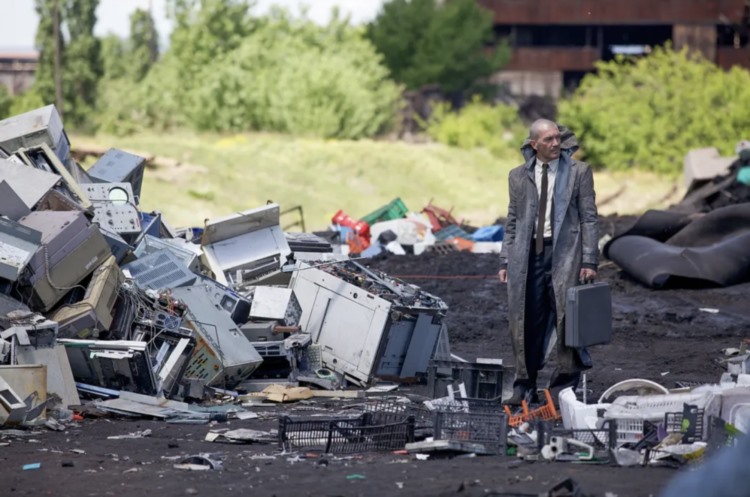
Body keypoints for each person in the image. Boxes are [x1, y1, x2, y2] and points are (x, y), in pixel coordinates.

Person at [498, 119, 599, 405]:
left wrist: (590, 260)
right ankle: (524, 385)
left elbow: (589, 218)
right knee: (525, 319)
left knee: (568, 319)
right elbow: (513, 221)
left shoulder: (580, 172)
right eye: (548, 140)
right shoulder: (517, 176)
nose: (555, 144)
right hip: (527, 256)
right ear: (534, 145)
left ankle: (563, 388)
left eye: (557, 138)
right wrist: (505, 259)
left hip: (566, 253)